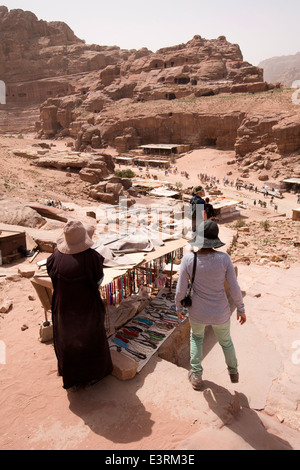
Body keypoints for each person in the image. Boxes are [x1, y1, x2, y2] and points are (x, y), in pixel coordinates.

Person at [175, 220, 246, 390]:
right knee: (226, 342)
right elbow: (235, 287)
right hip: (220, 312)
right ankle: (233, 372)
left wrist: (178, 308)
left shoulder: (188, 259)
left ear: (198, 239)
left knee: (196, 338)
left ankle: (197, 377)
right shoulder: (224, 259)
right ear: (215, 239)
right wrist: (241, 309)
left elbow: (180, 290)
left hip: (198, 313)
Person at [47, 220, 113, 391]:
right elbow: (98, 280)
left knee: (68, 340)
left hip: (64, 308)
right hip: (87, 306)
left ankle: (72, 376)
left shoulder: (55, 257)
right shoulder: (92, 257)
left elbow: (53, 277)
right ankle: (94, 373)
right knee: (91, 338)